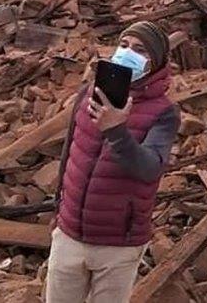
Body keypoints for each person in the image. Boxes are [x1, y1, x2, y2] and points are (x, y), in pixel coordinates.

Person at [46, 21, 181, 303]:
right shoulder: (87, 94)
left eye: (139, 49)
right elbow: (69, 152)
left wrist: (116, 130)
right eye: (123, 45)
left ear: (155, 62)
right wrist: (59, 209)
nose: (127, 53)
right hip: (69, 233)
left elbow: (149, 168)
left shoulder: (163, 112)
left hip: (118, 244)